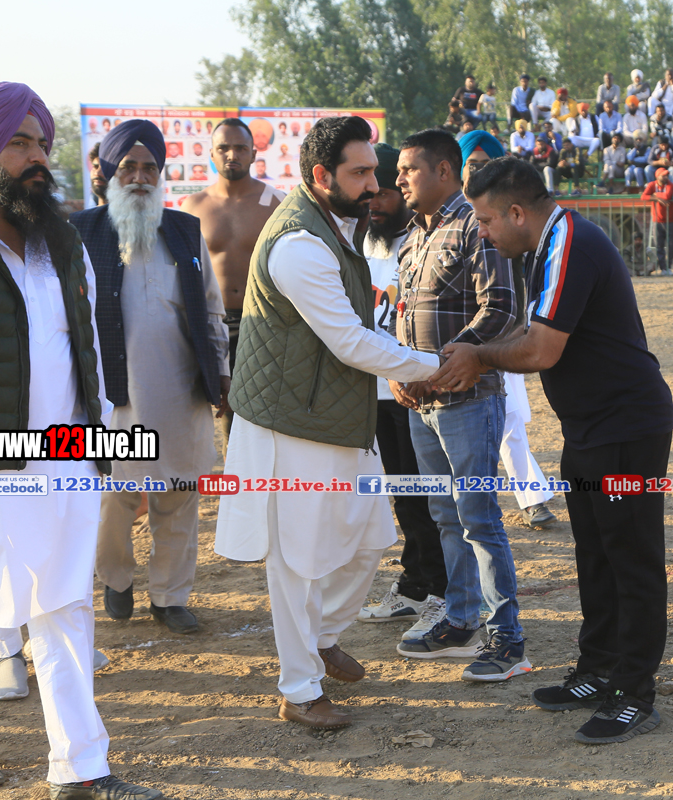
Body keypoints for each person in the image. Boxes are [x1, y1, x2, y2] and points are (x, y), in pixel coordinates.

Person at [0, 82, 162, 800]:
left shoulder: (61, 239)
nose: (37, 157)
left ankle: (80, 769)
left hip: (63, 454)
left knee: (64, 602)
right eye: (18, 142)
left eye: (41, 142)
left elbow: (87, 356)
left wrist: (109, 451)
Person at [431, 156, 673, 746]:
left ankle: (634, 693)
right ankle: (598, 670)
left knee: (631, 558)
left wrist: (478, 357)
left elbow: (541, 350)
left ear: (517, 212)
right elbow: (531, 334)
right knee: (596, 554)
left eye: (486, 220)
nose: (482, 233)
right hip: (590, 428)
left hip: (625, 429)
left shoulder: (570, 242)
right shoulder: (546, 245)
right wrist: (472, 349)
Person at [216, 117, 440, 730]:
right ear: (322, 175)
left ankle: (321, 638)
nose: (374, 185)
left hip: (335, 413)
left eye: (374, 172)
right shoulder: (299, 244)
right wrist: (437, 368)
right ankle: (299, 689)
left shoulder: (335, 226)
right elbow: (349, 341)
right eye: (360, 173)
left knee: (371, 536)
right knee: (296, 563)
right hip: (290, 424)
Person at [70, 120, 229, 636]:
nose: (140, 177)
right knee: (115, 495)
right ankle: (116, 578)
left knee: (179, 493)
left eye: (149, 168)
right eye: (129, 167)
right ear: (108, 173)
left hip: (181, 390)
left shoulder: (184, 229)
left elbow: (211, 310)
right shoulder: (80, 232)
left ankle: (169, 596)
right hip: (111, 394)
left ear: (161, 175)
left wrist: (221, 374)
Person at [391, 129, 529, 682]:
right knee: (446, 515)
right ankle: (462, 619)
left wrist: (445, 363)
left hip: (468, 398)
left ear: (444, 170)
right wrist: (402, 370)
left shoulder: (476, 223)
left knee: (478, 518)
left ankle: (507, 637)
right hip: (420, 401)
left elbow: (502, 308)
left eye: (409, 169)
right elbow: (403, 313)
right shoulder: (411, 236)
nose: (399, 179)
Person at [356, 143, 449, 640]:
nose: (374, 202)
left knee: (432, 498)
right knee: (404, 496)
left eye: (384, 193)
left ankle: (442, 593)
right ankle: (415, 584)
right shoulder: (360, 244)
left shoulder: (418, 242)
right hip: (374, 391)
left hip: (415, 390)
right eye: (368, 194)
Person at [459, 133, 559, 527]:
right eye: (472, 165)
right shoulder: (454, 218)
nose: (478, 172)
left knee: (510, 418)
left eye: (486, 165)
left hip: (505, 332)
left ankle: (532, 497)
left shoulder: (511, 221)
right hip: (457, 338)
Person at [181, 118, 284, 454]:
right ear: (211, 154)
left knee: (267, 407)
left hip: (263, 319)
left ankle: (269, 478)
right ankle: (235, 478)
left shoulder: (276, 202)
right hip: (213, 321)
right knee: (224, 408)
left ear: (254, 153)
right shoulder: (193, 206)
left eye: (240, 148)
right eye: (223, 148)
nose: (232, 154)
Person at [642, 168, 673, 275]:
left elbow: (667, 196)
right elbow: (643, 196)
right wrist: (657, 198)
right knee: (659, 246)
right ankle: (663, 268)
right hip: (657, 220)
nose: (666, 177)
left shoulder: (670, 185)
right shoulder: (652, 185)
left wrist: (654, 195)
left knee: (671, 245)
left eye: (667, 175)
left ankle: (668, 266)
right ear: (657, 176)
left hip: (670, 220)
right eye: (663, 175)